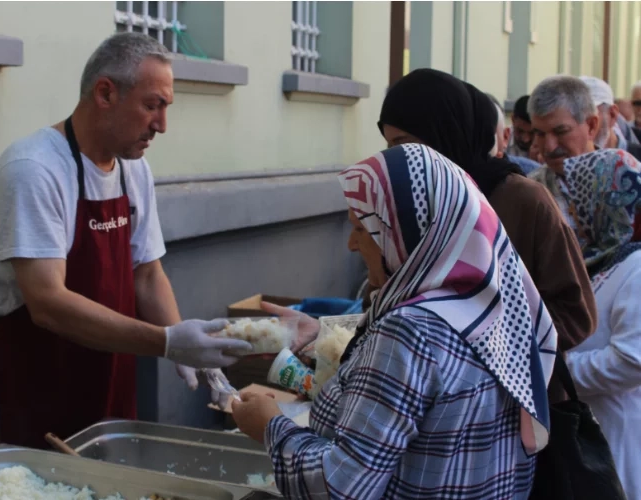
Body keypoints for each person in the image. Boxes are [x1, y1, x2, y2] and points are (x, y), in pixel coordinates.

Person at [0, 33, 251, 450]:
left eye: (166, 108)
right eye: (152, 105)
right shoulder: (34, 170)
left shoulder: (133, 170)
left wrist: (198, 356)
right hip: (30, 382)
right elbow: (47, 304)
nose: (162, 125)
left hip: (107, 383)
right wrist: (168, 343)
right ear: (105, 93)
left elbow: (147, 275)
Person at [232, 144, 557, 498]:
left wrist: (269, 425)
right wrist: (324, 334)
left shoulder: (409, 330)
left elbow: (340, 486)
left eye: (362, 229)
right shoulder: (495, 306)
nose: (351, 246)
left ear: (405, 235)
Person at [373, 69, 595, 363]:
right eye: (390, 146)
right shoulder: (410, 205)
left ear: (445, 135)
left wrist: (476, 340)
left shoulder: (524, 201)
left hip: (514, 398)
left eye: (404, 144)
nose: (396, 157)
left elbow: (576, 314)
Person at [558, 149, 641, 499]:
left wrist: (559, 372)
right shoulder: (599, 259)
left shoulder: (636, 268)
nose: (572, 214)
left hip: (617, 442)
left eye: (577, 202)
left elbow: (631, 360)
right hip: (589, 435)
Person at [527, 75, 600, 233]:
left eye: (561, 131)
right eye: (539, 134)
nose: (550, 147)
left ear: (592, 126)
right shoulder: (530, 194)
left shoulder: (626, 182)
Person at [580, 76, 641, 159]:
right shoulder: (565, 164)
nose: (581, 126)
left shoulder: (637, 159)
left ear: (612, 114)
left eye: (588, 117)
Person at [488, 94, 541, 175]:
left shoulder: (544, 144)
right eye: (520, 131)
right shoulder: (500, 138)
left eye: (532, 133)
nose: (525, 139)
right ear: (513, 119)